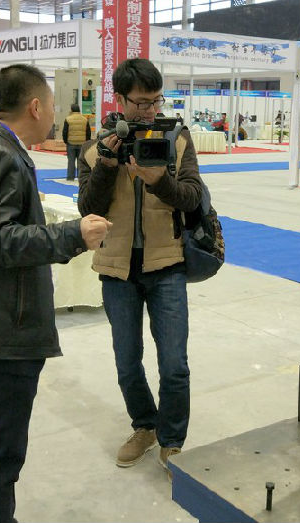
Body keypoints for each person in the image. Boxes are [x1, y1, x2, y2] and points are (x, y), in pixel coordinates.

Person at [0, 64, 111, 523]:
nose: (56, 116)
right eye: (53, 105)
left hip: (2, 319)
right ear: (36, 106)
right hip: (5, 326)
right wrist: (71, 235)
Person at [77, 58, 203, 474]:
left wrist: (158, 181)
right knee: (127, 362)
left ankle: (173, 440)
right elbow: (86, 208)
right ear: (120, 99)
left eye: (156, 101)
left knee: (175, 364)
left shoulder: (177, 139)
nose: (149, 111)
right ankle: (145, 426)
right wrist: (107, 166)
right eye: (141, 102)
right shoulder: (97, 146)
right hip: (116, 270)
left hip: (167, 264)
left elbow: (192, 198)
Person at [61, 102, 91, 181]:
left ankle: (70, 177)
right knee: (80, 161)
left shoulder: (68, 119)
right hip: (82, 143)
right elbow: (88, 132)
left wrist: (66, 141)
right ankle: (81, 177)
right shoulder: (85, 119)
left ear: (71, 110)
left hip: (71, 143)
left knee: (71, 161)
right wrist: (87, 142)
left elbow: (65, 132)